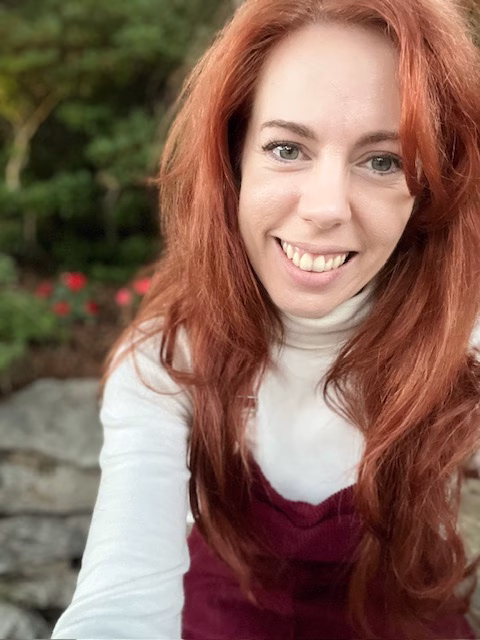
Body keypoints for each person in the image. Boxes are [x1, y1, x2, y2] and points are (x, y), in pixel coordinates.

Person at [51, 0, 480, 638]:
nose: (327, 208)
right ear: (234, 161)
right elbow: (119, 601)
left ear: (428, 189)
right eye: (286, 148)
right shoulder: (168, 358)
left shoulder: (462, 341)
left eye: (383, 161)